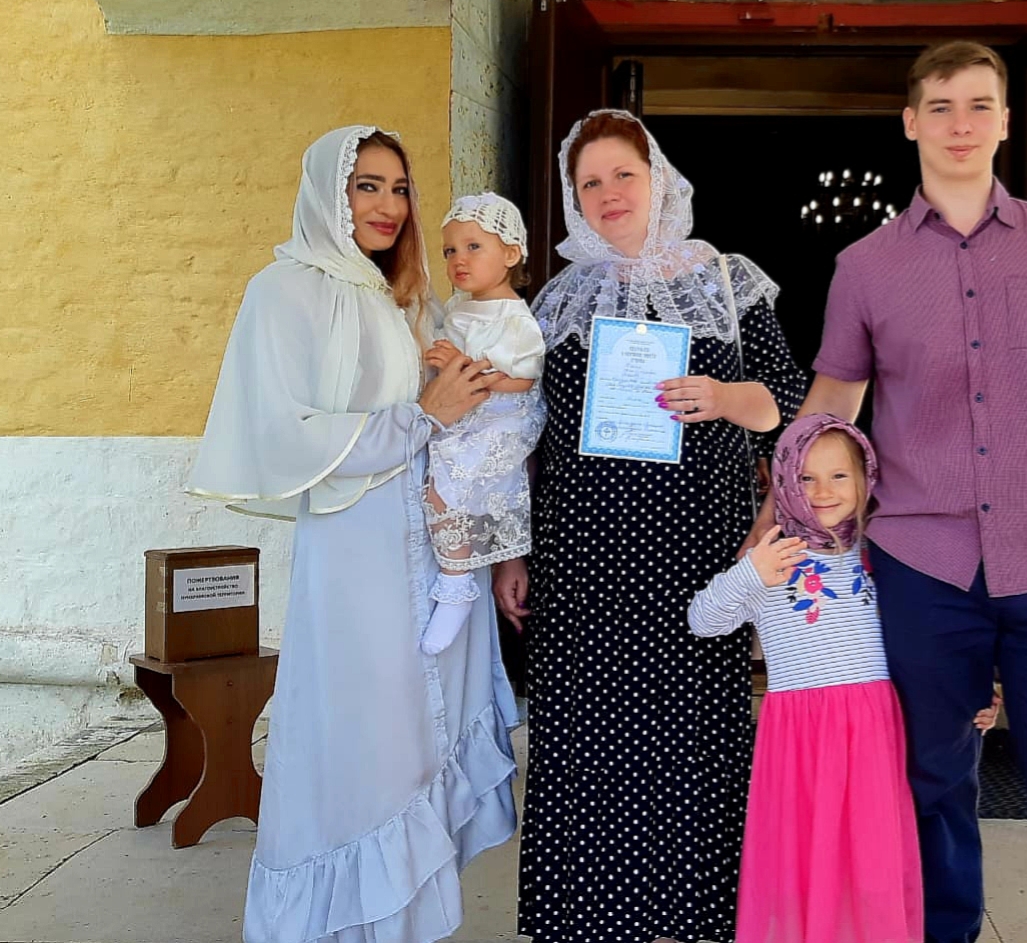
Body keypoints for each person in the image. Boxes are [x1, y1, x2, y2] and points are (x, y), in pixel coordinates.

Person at [745, 41, 1027, 942]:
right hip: (918, 564)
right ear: (909, 122)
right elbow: (833, 400)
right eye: (940, 106)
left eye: (977, 105)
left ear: (1004, 120)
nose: (959, 124)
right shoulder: (865, 265)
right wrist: (773, 517)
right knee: (928, 784)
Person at [188, 126, 519, 943]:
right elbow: (284, 430)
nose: (387, 204)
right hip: (355, 554)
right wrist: (419, 417)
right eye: (367, 184)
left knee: (422, 738)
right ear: (328, 192)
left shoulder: (408, 296)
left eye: (399, 187)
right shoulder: (283, 292)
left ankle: (405, 923)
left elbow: (466, 420)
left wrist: (495, 540)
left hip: (437, 547)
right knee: (362, 741)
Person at [496, 109, 808, 943]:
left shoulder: (725, 281)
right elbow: (524, 434)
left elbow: (789, 403)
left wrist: (725, 398)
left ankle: (693, 916)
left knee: (692, 739)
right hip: (583, 561)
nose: (608, 193)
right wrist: (511, 551)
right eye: (589, 181)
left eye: (622, 174)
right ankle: (590, 921)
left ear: (658, 178)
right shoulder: (556, 300)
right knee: (589, 742)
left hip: (694, 554)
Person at [691, 414, 998, 943]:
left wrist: (972, 692)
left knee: (873, 860)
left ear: (866, 478)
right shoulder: (773, 557)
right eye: (806, 478)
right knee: (807, 858)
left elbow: (936, 639)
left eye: (838, 476)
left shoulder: (886, 557)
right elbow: (704, 620)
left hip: (876, 731)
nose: (823, 492)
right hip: (801, 736)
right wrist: (748, 573)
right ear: (784, 482)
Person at [419, 192, 546, 656]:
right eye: (450, 250)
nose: (459, 259)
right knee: (436, 487)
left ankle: (456, 584)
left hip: (497, 420)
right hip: (464, 413)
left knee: (447, 487)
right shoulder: (458, 307)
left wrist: (462, 367)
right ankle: (454, 574)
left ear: (510, 254)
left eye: (474, 247)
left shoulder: (515, 317)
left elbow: (523, 377)